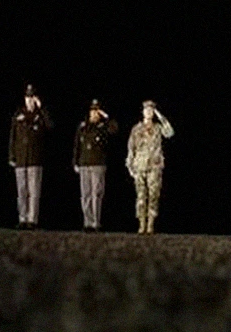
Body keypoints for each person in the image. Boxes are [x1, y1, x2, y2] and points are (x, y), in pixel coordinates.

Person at [8, 84, 53, 230]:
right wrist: (12, 156)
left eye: (32, 97)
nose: (29, 100)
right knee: (22, 191)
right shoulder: (18, 115)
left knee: (34, 191)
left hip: (35, 159)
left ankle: (32, 220)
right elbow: (13, 137)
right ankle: (22, 218)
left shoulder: (40, 115)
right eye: (27, 97)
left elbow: (50, 126)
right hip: (21, 158)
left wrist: (41, 107)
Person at [126, 100, 174, 235]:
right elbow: (131, 148)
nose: (148, 112)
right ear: (143, 112)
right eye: (146, 110)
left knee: (153, 195)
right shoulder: (136, 129)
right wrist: (130, 165)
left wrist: (160, 116)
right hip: (140, 165)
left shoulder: (158, 128)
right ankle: (141, 224)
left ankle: (150, 224)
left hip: (154, 165)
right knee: (141, 196)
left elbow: (170, 133)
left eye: (151, 110)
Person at [73, 99, 119, 232]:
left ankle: (96, 222)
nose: (94, 114)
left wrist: (106, 116)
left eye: (97, 111)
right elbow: (77, 145)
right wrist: (75, 162)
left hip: (98, 164)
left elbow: (114, 129)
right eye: (92, 111)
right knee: (85, 194)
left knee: (96, 194)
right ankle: (87, 222)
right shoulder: (83, 126)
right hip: (84, 163)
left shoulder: (103, 126)